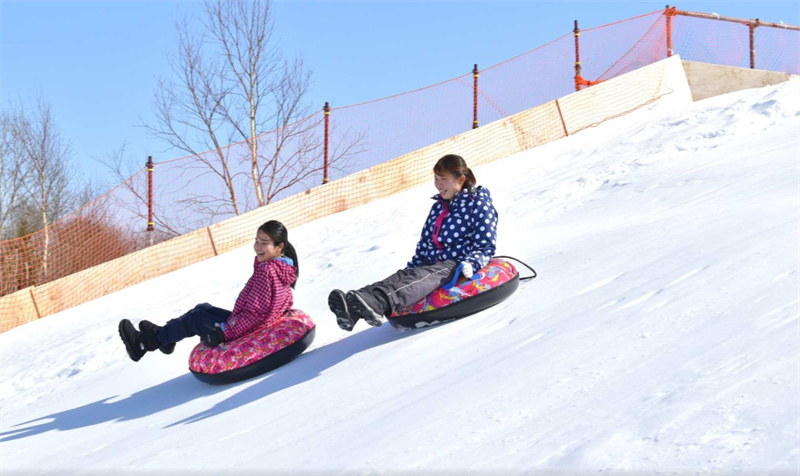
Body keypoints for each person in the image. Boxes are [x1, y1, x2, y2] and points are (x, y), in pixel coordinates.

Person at [328, 154, 498, 331]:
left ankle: (378, 302)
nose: (439, 184)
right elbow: (425, 242)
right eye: (436, 179)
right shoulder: (438, 207)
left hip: (455, 264)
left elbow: (485, 244)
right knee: (401, 276)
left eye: (444, 179)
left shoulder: (478, 204)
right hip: (429, 262)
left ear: (461, 179)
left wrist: (473, 262)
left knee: (420, 279)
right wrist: (412, 266)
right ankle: (353, 309)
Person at [118, 220, 299, 362]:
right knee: (202, 308)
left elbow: (255, 314)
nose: (257, 247)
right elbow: (278, 303)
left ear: (279, 246)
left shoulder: (267, 271)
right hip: (251, 323)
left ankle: (143, 343)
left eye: (264, 243)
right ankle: (165, 337)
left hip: (248, 329)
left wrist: (224, 332)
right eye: (256, 241)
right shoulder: (282, 267)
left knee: (197, 319)